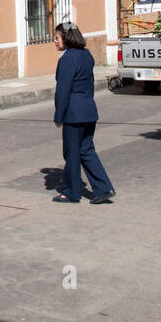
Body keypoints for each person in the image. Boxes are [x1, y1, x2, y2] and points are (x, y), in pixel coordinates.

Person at [52, 21, 115, 204]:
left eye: (57, 38)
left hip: (74, 113)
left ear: (66, 38)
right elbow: (90, 85)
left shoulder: (67, 59)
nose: (55, 41)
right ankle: (104, 188)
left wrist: (59, 115)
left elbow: (63, 91)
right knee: (86, 150)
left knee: (71, 152)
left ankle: (71, 192)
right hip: (88, 110)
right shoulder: (86, 55)